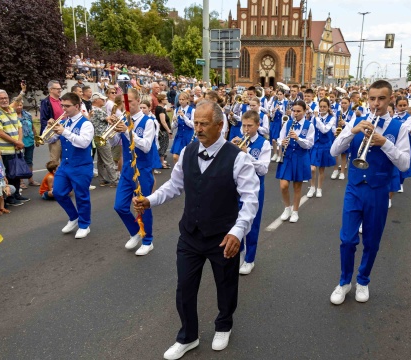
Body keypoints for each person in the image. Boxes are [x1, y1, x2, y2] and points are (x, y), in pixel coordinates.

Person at [133, 99, 258, 359]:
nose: (198, 128)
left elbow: (250, 200)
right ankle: (188, 336)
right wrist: (150, 200)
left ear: (220, 126)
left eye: (204, 124)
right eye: (196, 123)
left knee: (225, 286)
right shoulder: (189, 151)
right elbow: (174, 186)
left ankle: (224, 324)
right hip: (190, 234)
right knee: (185, 287)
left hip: (223, 237)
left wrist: (237, 231)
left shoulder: (238, 159)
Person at [329, 80, 411, 305]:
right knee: (347, 239)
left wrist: (385, 143)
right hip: (354, 188)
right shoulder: (357, 121)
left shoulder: (398, 128)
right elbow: (334, 150)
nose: (376, 103)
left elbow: (404, 164)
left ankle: (363, 280)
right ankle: (344, 281)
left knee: (372, 241)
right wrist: (353, 131)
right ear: (367, 98)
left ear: (390, 99)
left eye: (382, 99)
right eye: (372, 98)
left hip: (379, 191)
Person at [116, 89, 160, 256]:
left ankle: (148, 241)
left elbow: (146, 146)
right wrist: (114, 131)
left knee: (142, 207)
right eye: (123, 104)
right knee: (119, 206)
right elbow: (116, 142)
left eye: (130, 103)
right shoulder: (123, 119)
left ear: (138, 100)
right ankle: (136, 232)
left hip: (142, 169)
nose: (126, 106)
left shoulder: (148, 121)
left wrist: (127, 131)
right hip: (127, 169)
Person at [46, 92, 94, 239]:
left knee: (82, 196)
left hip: (81, 166)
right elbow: (51, 139)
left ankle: (84, 225)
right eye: (62, 106)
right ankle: (74, 217)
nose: (64, 109)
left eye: (67, 106)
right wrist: (48, 129)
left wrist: (65, 132)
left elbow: (84, 143)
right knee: (58, 192)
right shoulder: (65, 122)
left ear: (77, 106)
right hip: (65, 165)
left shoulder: (86, 123)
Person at [233, 110, 270, 275]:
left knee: (252, 224)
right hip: (237, 187)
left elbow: (263, 169)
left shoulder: (264, 144)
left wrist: (247, 155)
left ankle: (250, 259)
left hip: (255, 189)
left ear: (257, 125)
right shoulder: (238, 140)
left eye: (250, 126)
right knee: (236, 220)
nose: (246, 129)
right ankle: (240, 252)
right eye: (244, 125)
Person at [276, 100, 314, 223]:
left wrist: (298, 139)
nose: (295, 113)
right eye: (294, 111)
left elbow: (309, 144)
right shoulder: (288, 123)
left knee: (297, 187)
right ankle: (287, 208)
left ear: (304, 111)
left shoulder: (309, 125)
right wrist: (281, 143)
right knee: (283, 186)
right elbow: (279, 138)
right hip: (287, 156)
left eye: (298, 111)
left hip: (300, 157)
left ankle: (295, 211)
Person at [0, 89, 30, 203]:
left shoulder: (12, 110)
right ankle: (9, 197)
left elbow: (19, 126)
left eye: (5, 98)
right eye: (1, 98)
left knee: (17, 173)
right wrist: (16, 142)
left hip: (17, 148)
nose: (4, 100)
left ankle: (17, 193)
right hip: (6, 150)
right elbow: (0, 133)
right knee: (9, 174)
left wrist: (20, 141)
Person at [307, 98, 336, 198]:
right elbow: (311, 128)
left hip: (325, 145)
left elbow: (324, 130)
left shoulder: (332, 118)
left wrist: (316, 117)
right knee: (312, 168)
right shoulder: (315, 117)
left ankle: (319, 188)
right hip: (315, 144)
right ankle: (312, 187)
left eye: (324, 107)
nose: (322, 108)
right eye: (321, 106)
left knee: (321, 169)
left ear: (328, 108)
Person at [89, 92, 119, 187]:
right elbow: (109, 120)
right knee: (108, 159)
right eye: (102, 99)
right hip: (102, 137)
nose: (104, 100)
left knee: (101, 160)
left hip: (97, 137)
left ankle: (102, 179)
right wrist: (115, 118)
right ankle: (114, 180)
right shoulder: (98, 110)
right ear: (95, 100)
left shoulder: (93, 110)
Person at [15, 100, 39, 188]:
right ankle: (20, 181)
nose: (19, 107)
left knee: (29, 160)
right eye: (17, 105)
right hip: (18, 141)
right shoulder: (12, 116)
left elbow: (32, 127)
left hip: (29, 139)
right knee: (19, 161)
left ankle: (30, 180)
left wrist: (36, 138)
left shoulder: (28, 115)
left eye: (21, 105)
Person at [39, 80, 64, 162]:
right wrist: (45, 135)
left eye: (60, 88)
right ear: (50, 90)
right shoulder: (46, 102)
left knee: (65, 159)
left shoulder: (62, 101)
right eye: (57, 88)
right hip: (54, 134)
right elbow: (43, 119)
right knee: (54, 161)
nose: (60, 90)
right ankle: (54, 175)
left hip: (64, 132)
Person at [170, 92, 195, 164]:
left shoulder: (192, 110)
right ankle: (177, 173)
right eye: (180, 99)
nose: (181, 101)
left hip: (189, 135)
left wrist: (184, 116)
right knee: (175, 156)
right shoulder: (176, 110)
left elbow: (193, 125)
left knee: (188, 158)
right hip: (180, 135)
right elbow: (173, 127)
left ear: (187, 100)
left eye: (183, 99)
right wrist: (175, 121)